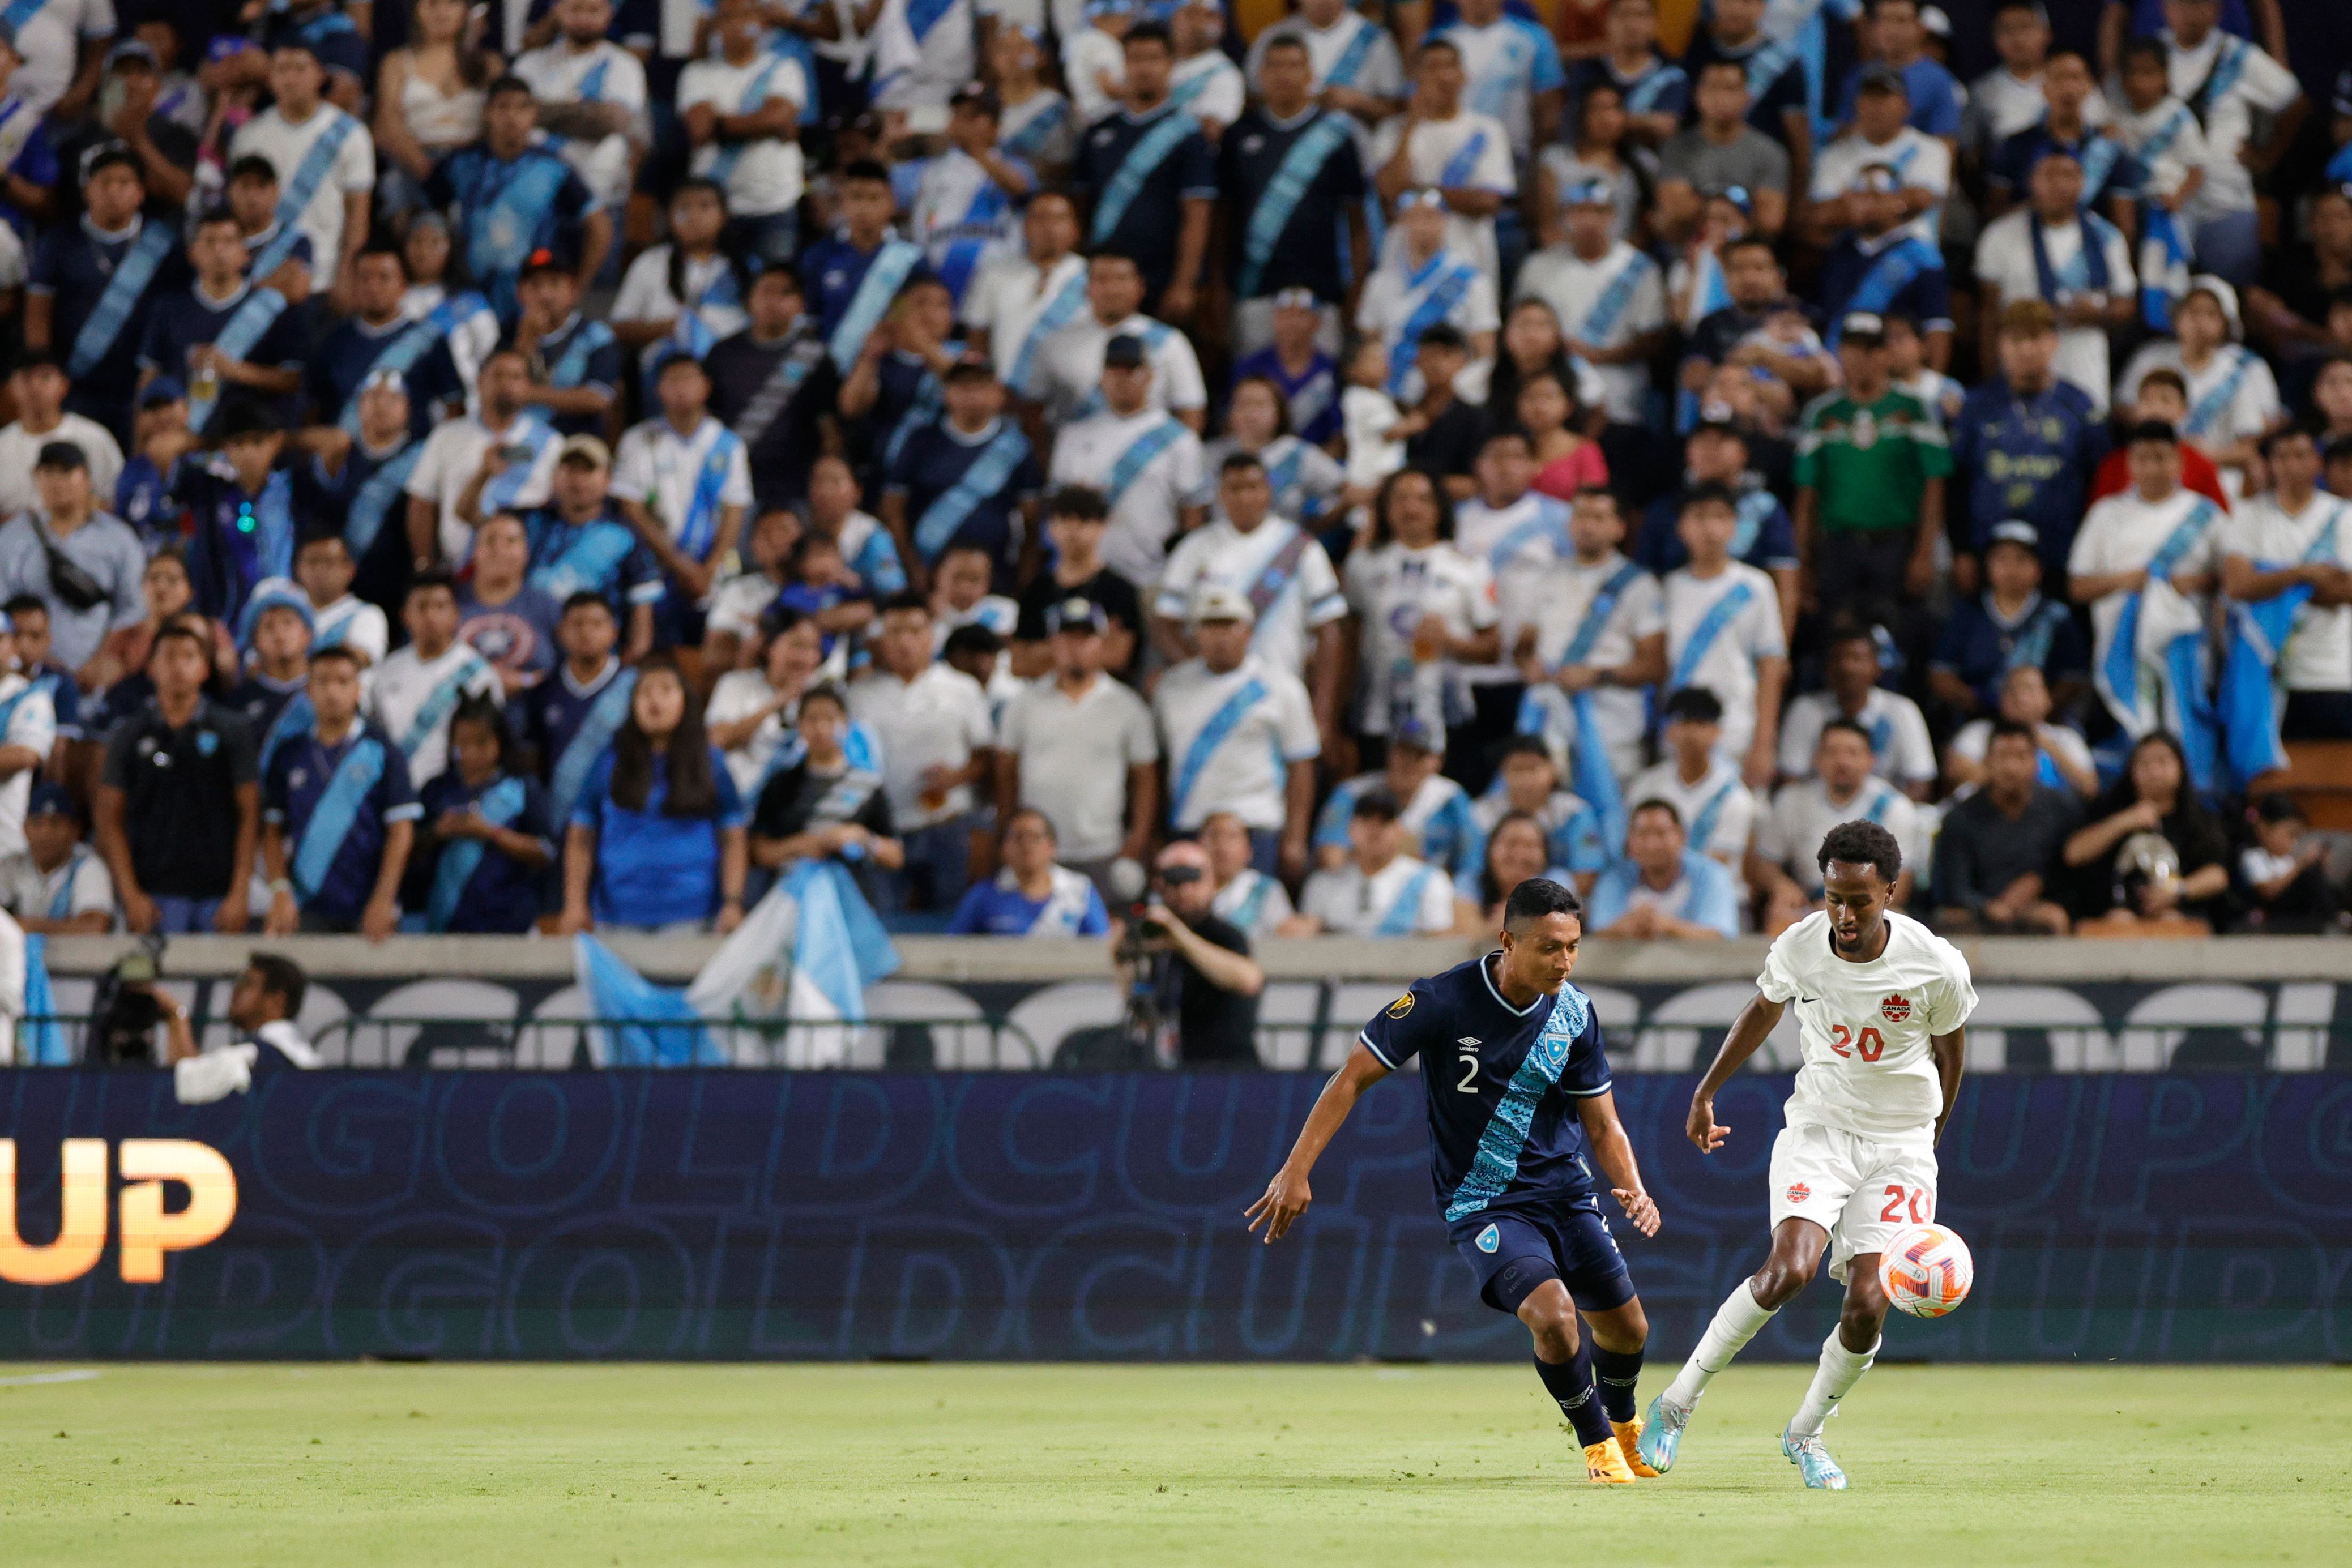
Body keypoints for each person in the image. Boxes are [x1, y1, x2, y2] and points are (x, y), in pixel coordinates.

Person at [1250, 876, 1660, 1484]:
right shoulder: (1441, 1000)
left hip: (1566, 1195)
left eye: (1573, 946)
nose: (1564, 962)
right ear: (1507, 941)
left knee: (1628, 1329)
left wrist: (1633, 1185)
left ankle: (1624, 1426)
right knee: (1551, 1316)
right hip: (1485, 1203)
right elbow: (1351, 1078)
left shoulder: (1574, 1013)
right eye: (1549, 947)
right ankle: (1598, 1444)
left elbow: (1602, 1122)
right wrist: (1295, 1169)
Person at [1640, 819, 1973, 1491]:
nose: (1844, 915)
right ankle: (1675, 1404)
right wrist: (1706, 1092)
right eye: (1833, 898)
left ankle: (1805, 1435)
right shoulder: (1800, 945)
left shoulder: (1934, 963)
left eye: (1860, 900)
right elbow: (1762, 1012)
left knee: (1869, 1302)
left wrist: (1929, 1134)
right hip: (1820, 1129)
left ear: (1890, 891)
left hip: (1901, 1144)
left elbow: (1951, 1049)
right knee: (1787, 1272)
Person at [561, 653, 748, 935]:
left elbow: (733, 838)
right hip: (618, 916)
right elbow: (581, 837)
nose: (655, 701)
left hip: (694, 914)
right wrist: (575, 906)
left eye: (666, 690)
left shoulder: (711, 764)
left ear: (684, 700)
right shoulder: (608, 762)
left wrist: (733, 902)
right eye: (645, 692)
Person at [93, 618, 259, 934]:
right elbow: (109, 818)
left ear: (205, 669)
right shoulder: (128, 734)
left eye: (189, 657)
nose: (179, 667)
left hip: (219, 893)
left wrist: (240, 892)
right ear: (151, 668)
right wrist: (131, 896)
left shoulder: (233, 730)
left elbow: (250, 813)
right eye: (169, 656)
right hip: (154, 896)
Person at [1793, 312, 1950, 642]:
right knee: (1836, 635)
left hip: (1897, 543)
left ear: (1886, 354)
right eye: (1852, 349)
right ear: (1840, 354)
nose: (1861, 359)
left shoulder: (1914, 408)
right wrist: (1803, 560)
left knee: (1899, 634)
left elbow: (1934, 482)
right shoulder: (1822, 414)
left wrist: (1925, 553)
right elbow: (1807, 492)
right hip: (1839, 545)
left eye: (1871, 350)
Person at [2068, 420, 2221, 750]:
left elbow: (2231, 582)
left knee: (2186, 743)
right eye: (2143, 458)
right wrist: (2130, 581)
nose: (2152, 468)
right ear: (2129, 464)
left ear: (2179, 461)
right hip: (2120, 654)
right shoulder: (2106, 513)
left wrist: (2196, 582)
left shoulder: (2205, 514)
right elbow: (2077, 587)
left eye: (2161, 457)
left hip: (2188, 656)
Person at [1154, 585, 1320, 881]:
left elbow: (1301, 766)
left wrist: (1295, 837)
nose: (1220, 637)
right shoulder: (1171, 688)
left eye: (1229, 626)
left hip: (1256, 824)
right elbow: (1161, 762)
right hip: (1190, 822)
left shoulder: (1281, 687)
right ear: (1196, 634)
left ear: (1249, 632)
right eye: (1210, 626)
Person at [25, 143, 184, 443]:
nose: (114, 192)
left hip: (141, 387)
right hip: (77, 384)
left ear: (140, 193)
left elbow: (176, 316)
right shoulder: (58, 242)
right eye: (105, 183)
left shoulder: (164, 246)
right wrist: (44, 376)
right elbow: (38, 314)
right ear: (87, 192)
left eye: (124, 183)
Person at [1218, 36, 1368, 351]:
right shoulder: (1238, 135)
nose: (1284, 75)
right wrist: (1218, 287)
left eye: (1294, 66)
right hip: (1254, 289)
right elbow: (1222, 219)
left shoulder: (1338, 136)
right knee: (1255, 390)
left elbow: (1357, 221)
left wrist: (1357, 288)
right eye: (1275, 66)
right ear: (1260, 76)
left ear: (1311, 75)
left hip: (1322, 292)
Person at [260, 644, 418, 939]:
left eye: (343, 681)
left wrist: (384, 899)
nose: (333, 692)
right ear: (309, 690)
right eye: (323, 682)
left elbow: (401, 830)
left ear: (358, 689)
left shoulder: (384, 752)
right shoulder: (290, 753)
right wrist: (280, 892)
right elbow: (271, 830)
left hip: (368, 906)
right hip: (305, 905)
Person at [850, 592, 995, 912]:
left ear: (931, 636)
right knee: (885, 921)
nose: (905, 642)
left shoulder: (962, 689)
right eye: (895, 632)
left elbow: (987, 757)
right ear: (881, 640)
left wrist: (956, 777)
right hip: (883, 828)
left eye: (914, 632)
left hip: (946, 824)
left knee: (949, 921)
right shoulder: (859, 696)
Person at [422, 75, 610, 319]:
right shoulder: (460, 164)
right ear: (488, 112)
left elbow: (600, 227)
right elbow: (425, 218)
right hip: (470, 297)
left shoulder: (553, 169)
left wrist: (577, 289)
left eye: (522, 107)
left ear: (534, 114)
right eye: (503, 107)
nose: (513, 117)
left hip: (534, 299)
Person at [1948, 301, 2107, 583]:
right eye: (2016, 340)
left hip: (2062, 554)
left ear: (2054, 342)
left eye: (2035, 338)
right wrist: (1962, 550)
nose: (2026, 350)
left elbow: (2099, 483)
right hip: (1989, 555)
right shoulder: (1977, 406)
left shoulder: (2080, 407)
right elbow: (1957, 482)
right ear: (2000, 345)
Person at [1073, 22, 1215, 318]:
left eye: (1154, 59)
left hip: (1161, 280)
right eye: (1136, 59)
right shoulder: (1099, 133)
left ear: (1171, 65)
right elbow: (1081, 210)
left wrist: (1184, 283)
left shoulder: (1190, 136)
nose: (1144, 68)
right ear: (1124, 65)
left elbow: (1197, 215)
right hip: (1103, 281)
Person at [2219, 425, 2352, 743]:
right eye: (2282, 456)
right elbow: (2237, 586)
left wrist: (2267, 579)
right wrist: (2304, 574)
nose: (2292, 465)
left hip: (2331, 673)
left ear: (2317, 463)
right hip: (2264, 675)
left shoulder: (2344, 516)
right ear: (2269, 464)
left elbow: (2345, 590)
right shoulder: (2248, 516)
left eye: (2301, 455)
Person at [1043, 333, 1206, 591]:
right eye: (1114, 370)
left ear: (1150, 376)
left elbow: (1192, 517)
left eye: (1132, 370)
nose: (1122, 379)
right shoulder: (1073, 436)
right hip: (1080, 577)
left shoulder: (1179, 440)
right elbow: (1056, 509)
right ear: (1103, 376)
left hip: (1147, 577)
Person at [228, 41, 374, 310]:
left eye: (300, 68)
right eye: (282, 69)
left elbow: (358, 215)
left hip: (324, 278)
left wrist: (347, 275)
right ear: (270, 78)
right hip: (262, 277)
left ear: (321, 75)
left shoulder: (350, 134)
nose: (291, 78)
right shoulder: (248, 136)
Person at [135, 211, 304, 441]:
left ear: (245, 254)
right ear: (193, 254)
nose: (219, 251)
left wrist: (236, 371)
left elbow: (293, 380)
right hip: (185, 436)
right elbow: (149, 377)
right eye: (210, 242)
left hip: (248, 438)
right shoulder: (168, 308)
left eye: (229, 242)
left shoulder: (273, 307)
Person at [1660, 483, 1786, 785]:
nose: (1711, 528)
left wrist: (1764, 744)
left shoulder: (1755, 587)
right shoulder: (1668, 588)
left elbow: (1771, 665)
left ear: (1734, 526)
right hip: (1679, 727)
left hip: (1737, 728)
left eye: (1720, 517)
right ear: (1682, 527)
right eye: (1700, 517)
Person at [1516, 177, 1666, 429]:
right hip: (1549, 384)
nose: (1589, 220)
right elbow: (1520, 324)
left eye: (1599, 212)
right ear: (1566, 216)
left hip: (1618, 385)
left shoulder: (1640, 268)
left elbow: (1653, 339)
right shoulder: (1538, 266)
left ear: (1614, 216)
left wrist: (1599, 356)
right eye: (1580, 211)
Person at [881, 358, 1039, 591]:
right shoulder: (920, 441)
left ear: (998, 393)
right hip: (929, 574)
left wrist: (1024, 582)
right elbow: (893, 508)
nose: (971, 394)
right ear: (947, 393)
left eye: (980, 386)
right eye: (963, 386)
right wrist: (911, 566)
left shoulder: (1017, 448)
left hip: (996, 576)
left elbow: (1031, 522)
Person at [1752, 719, 1924, 932]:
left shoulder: (1895, 807)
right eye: (1832, 752)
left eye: (1852, 753)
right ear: (1817, 759)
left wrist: (1845, 905)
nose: (1842, 762)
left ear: (1871, 760)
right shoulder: (1792, 800)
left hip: (1870, 906)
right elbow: (1765, 863)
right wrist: (1781, 885)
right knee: (1778, 916)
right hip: (1809, 904)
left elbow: (1901, 885)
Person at [1369, 37, 1516, 281]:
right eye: (1431, 67)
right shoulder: (1392, 131)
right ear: (1415, 77)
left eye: (1449, 67)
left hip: (1468, 258)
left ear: (1464, 76)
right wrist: (1411, 126)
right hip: (1405, 261)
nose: (1441, 76)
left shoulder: (1487, 129)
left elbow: (1487, 201)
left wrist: (1416, 194)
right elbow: (1390, 192)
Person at [0, 439, 145, 677]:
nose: (56, 482)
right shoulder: (13, 536)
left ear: (87, 478)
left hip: (98, 676)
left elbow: (134, 610)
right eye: (48, 472)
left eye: (66, 471)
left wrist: (102, 662)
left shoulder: (119, 539)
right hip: (24, 675)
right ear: (36, 478)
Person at [404, 347, 560, 570]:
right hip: (460, 570)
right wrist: (424, 566)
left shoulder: (551, 443)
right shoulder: (447, 436)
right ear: (480, 383)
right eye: (498, 375)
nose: (506, 384)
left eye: (516, 377)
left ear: (528, 386)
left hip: (525, 571)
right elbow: (422, 503)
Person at [411, 693, 554, 934]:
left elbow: (545, 852)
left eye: (481, 743)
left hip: (506, 922)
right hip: (442, 922)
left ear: (500, 743)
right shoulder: (436, 790)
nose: (471, 753)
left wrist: (490, 832)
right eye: (462, 744)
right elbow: (408, 850)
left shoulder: (521, 789)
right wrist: (436, 832)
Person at [2061, 730, 2230, 933]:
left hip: (2177, 911)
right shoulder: (2108, 810)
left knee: (2171, 922)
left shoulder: (2200, 820)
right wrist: (2126, 820)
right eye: (2144, 763)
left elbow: (2217, 875)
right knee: (2119, 923)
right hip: (2112, 914)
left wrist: (2176, 891)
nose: (2153, 770)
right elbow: (2073, 854)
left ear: (2181, 769)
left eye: (2162, 762)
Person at [747, 681, 900, 904]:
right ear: (800, 725)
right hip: (792, 895)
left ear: (846, 725)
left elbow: (896, 856)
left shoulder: (867, 785)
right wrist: (798, 846)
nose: (821, 728)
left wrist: (861, 838)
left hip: (851, 897)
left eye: (830, 719)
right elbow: (759, 851)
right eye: (812, 719)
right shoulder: (780, 784)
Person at [678, 0, 806, 266]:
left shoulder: (785, 68)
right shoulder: (697, 73)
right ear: (717, 27)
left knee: (774, 282)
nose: (738, 25)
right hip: (718, 205)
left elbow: (779, 117)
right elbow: (701, 131)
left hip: (775, 201)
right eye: (729, 18)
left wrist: (721, 124)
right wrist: (770, 127)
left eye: (747, 17)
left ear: (762, 24)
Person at [1120, 838, 1263, 1066]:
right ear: (1160, 884)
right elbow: (1131, 996)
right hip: (1173, 1066)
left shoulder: (1225, 935)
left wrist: (1180, 938)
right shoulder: (1154, 937)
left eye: (1193, 879)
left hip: (1226, 1068)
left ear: (1212, 882)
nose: (1184, 891)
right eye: (1175, 881)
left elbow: (1249, 979)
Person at [1931, 719, 2080, 935]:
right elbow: (1954, 888)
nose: (2011, 768)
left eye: (2021, 757)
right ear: (1988, 763)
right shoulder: (1960, 818)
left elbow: (2073, 874)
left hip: (2037, 909)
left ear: (2036, 763)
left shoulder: (2061, 809)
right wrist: (1990, 907)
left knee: (2054, 917)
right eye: (2002, 757)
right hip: (1978, 912)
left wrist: (2039, 883)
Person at [1928, 520, 2089, 719]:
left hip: (2045, 723)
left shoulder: (2058, 618)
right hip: (1977, 722)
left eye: (2022, 559)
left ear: (2039, 568)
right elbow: (1941, 673)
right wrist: (1980, 706)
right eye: (2001, 559)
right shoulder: (1966, 614)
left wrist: (2036, 710)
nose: (2011, 568)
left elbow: (2073, 679)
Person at [519, 434, 660, 660]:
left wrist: (619, 673)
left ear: (608, 479)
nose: (578, 480)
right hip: (530, 653)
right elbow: (470, 517)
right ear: (555, 477)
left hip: (596, 661)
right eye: (570, 470)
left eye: (588, 470)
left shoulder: (625, 536)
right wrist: (485, 474)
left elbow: (642, 620)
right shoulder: (531, 522)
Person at [368, 570, 501, 788]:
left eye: (440, 607)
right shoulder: (386, 672)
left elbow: (488, 746)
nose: (431, 616)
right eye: (421, 607)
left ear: (455, 614)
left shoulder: (480, 675)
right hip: (396, 792)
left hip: (453, 794)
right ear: (405, 616)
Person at [1777, 622, 1936, 798]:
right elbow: (1791, 777)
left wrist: (1891, 815)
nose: (1847, 667)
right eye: (1839, 658)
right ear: (1827, 667)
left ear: (1877, 668)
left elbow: (1920, 780)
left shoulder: (1902, 711)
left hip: (1881, 815)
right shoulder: (1806, 709)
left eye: (1857, 659)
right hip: (1819, 813)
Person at [908, 84, 1032, 312]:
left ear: (995, 125)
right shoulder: (929, 171)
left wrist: (979, 150)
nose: (965, 123)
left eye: (974, 117)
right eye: (959, 115)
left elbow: (1021, 190)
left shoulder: (1017, 167)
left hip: (997, 285)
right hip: (939, 283)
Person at [372, 0, 495, 218]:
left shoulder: (488, 63)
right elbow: (386, 126)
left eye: (451, 3)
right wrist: (428, 172)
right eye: (431, 4)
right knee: (395, 186)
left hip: (476, 162)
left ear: (465, 11)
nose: (441, 12)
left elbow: (498, 120)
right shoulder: (396, 62)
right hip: (414, 164)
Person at [525, 591, 635, 830]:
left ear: (614, 632)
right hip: (562, 818)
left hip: (620, 816)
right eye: (577, 624)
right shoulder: (543, 692)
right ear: (560, 633)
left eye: (597, 624)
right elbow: (535, 763)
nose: (587, 632)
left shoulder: (635, 689)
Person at [1291, 785, 1462, 937]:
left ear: (1399, 831)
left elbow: (1440, 942)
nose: (1375, 830)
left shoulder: (1430, 880)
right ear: (1351, 829)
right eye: (1366, 820)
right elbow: (1305, 942)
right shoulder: (1323, 884)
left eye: (1385, 821)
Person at [1626, 686, 1758, 873]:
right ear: (1669, 731)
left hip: (1711, 891)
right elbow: (1633, 849)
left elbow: (1717, 864)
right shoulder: (1646, 785)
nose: (1692, 732)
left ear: (1717, 731)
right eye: (1684, 722)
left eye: (1701, 723)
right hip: (1652, 886)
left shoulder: (1734, 795)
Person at [1656, 61, 1791, 242]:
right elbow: (1676, 211)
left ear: (1747, 97)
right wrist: (1739, 209)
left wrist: (1704, 206)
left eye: (1731, 89)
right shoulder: (1677, 148)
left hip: (1745, 257)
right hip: (1688, 253)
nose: (1721, 97)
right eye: (1713, 88)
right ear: (1698, 95)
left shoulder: (1770, 152)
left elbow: (1770, 222)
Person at [165, 953, 321, 1104]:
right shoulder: (303, 1057)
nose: (235, 991)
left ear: (276, 1001)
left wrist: (176, 1016)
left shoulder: (257, 1055)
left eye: (247, 984)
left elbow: (187, 1081)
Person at [1587, 798, 1741, 939]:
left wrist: (1668, 927)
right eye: (1642, 834)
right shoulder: (1615, 878)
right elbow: (1596, 934)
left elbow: (1721, 938)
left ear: (1682, 836)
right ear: (1630, 839)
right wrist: (1627, 927)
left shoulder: (1712, 875)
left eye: (1661, 834)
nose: (1651, 844)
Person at [1942, 663, 2101, 798]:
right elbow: (1957, 770)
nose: (2020, 697)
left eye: (2029, 690)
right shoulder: (1979, 732)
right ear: (2001, 699)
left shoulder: (2067, 738)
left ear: (2047, 700)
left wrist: (2048, 746)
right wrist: (2015, 788)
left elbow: (2089, 788)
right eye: (2012, 690)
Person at [945, 808, 1110, 936]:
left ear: (1052, 847)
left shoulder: (1080, 889)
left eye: (1035, 837)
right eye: (1018, 837)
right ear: (1004, 849)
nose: (1027, 845)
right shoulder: (984, 894)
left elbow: (1103, 947)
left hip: (1070, 979)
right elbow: (952, 945)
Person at [0, 349, 122, 515]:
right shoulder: (3, 445)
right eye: (26, 378)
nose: (35, 387)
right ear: (9, 389)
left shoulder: (94, 437)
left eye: (45, 377)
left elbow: (117, 503)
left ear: (64, 385)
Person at [455, 513, 562, 695]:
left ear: (526, 552)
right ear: (474, 552)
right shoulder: (450, 602)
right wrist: (487, 680)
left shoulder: (548, 606)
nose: (500, 550)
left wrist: (524, 681)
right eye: (490, 541)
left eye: (511, 541)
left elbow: (563, 671)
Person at [0, 781, 112, 933]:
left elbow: (95, 927)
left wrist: (28, 926)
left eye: (56, 823)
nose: (46, 833)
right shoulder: (10, 867)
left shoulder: (88, 867)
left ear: (75, 830)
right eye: (37, 823)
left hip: (78, 956)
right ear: (25, 828)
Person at [2232, 792, 2340, 933]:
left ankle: (2333, 920)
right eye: (2290, 835)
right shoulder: (2252, 857)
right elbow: (2267, 891)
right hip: (2273, 917)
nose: (2293, 842)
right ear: (2264, 828)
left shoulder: (2288, 860)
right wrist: (2301, 865)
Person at [1201, 809, 1293, 938]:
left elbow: (1285, 938)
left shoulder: (1267, 890)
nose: (1222, 846)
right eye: (1214, 835)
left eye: (1232, 837)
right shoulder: (1183, 887)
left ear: (1249, 851)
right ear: (1198, 845)